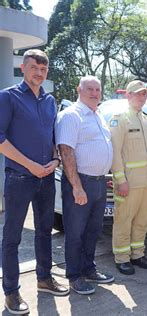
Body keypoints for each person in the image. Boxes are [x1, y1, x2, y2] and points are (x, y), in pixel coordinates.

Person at [0, 49, 68, 314]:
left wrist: (55, 160)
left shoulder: (50, 101)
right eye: (33, 68)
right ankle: (11, 293)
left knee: (44, 232)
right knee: (12, 237)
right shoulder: (8, 97)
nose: (38, 73)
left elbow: (52, 136)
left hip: (47, 178)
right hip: (19, 178)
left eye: (43, 69)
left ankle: (44, 279)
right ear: (23, 68)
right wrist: (31, 166)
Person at [55, 76, 115, 295]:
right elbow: (66, 151)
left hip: (99, 183)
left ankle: (89, 269)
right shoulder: (71, 115)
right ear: (78, 90)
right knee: (75, 232)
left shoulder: (98, 115)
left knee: (93, 230)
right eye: (89, 88)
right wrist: (77, 187)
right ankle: (74, 276)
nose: (94, 92)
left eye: (98, 89)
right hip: (80, 183)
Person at [109, 80, 147, 275]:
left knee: (142, 220)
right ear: (128, 96)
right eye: (138, 94)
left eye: (144, 94)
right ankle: (122, 258)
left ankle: (137, 254)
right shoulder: (120, 119)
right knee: (124, 220)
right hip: (129, 184)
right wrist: (120, 180)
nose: (142, 97)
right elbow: (114, 152)